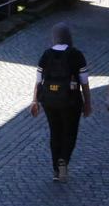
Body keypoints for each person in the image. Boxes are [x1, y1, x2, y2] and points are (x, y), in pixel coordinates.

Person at [31, 23, 92, 182]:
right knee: (69, 132)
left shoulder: (46, 54)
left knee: (55, 132)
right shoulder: (76, 55)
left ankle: (56, 170)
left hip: (49, 101)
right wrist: (87, 103)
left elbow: (38, 81)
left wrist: (34, 101)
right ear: (68, 36)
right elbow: (84, 82)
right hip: (71, 101)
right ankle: (63, 160)